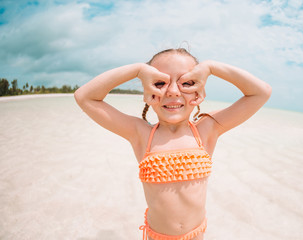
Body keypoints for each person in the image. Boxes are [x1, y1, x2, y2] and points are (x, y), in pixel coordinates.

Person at [74, 48, 272, 240]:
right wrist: (137, 70)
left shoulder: (207, 130)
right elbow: (84, 97)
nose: (173, 91)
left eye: (187, 83)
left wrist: (211, 68)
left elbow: (261, 92)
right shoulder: (140, 134)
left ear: (199, 91)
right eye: (160, 83)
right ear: (147, 90)